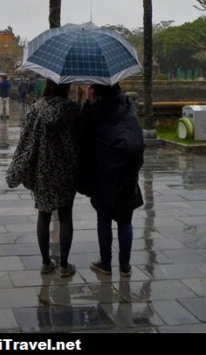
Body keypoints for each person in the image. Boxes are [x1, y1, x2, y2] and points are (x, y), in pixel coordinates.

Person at [6, 79, 83, 278]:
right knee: (66, 216)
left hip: (43, 169)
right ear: (66, 87)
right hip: (67, 169)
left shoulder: (36, 109)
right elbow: (82, 138)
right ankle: (65, 265)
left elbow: (26, 139)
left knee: (44, 214)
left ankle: (45, 262)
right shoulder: (73, 110)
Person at [79, 84, 145, 278]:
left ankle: (105, 263)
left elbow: (84, 134)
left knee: (104, 218)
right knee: (125, 219)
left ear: (96, 91)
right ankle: (125, 266)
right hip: (128, 170)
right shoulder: (128, 105)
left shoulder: (96, 111)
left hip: (105, 171)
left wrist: (86, 103)